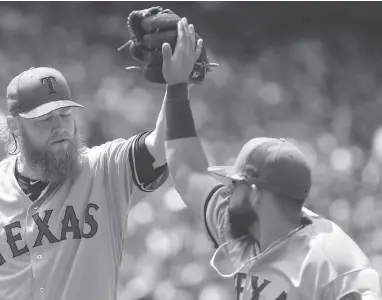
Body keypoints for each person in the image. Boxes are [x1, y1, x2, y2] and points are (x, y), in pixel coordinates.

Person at [0, 21, 200, 300]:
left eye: (65, 115)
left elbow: (161, 144)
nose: (59, 127)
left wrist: (177, 86)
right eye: (45, 120)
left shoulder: (104, 170)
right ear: (15, 127)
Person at [163, 18, 382, 300]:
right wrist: (177, 87)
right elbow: (188, 172)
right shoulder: (243, 231)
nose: (227, 192)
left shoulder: (334, 266)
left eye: (235, 184)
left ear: (255, 193)